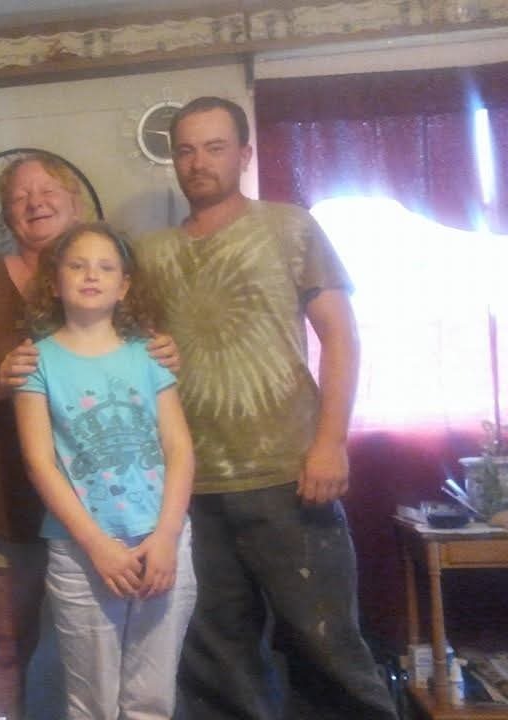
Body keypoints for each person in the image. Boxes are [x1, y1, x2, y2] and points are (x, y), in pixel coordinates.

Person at [134, 96, 398, 719]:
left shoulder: (289, 226)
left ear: (245, 154)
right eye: (186, 150)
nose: (199, 162)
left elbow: (341, 336)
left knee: (328, 650)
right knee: (214, 666)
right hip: (189, 489)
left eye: (215, 147)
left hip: (290, 476)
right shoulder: (148, 254)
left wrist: (330, 443)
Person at [0, 153, 179, 720]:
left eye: (46, 191)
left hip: (108, 505)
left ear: (75, 202)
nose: (34, 203)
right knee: (7, 645)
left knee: (118, 653)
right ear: (6, 216)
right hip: (1, 498)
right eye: (18, 197)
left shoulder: (108, 281)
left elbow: (147, 369)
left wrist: (167, 351)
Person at [12, 222, 196, 720]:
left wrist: (167, 536)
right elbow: (39, 462)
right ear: (55, 282)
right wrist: (96, 545)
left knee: (151, 699)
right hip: (82, 551)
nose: (91, 275)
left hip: (162, 542)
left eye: (105, 267)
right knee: (91, 703)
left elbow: (179, 447)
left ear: (124, 285)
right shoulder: (36, 360)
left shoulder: (149, 353)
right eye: (77, 265)